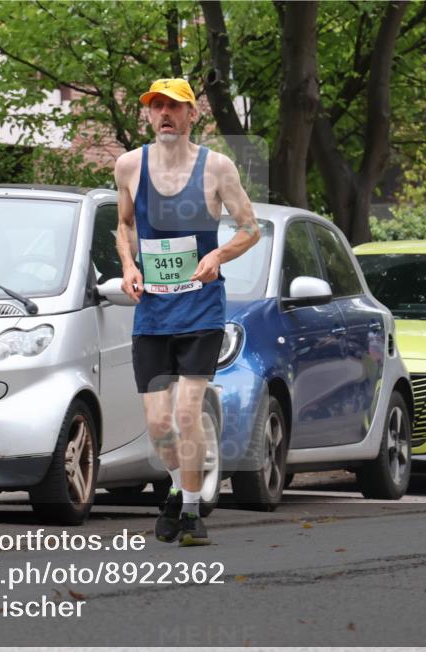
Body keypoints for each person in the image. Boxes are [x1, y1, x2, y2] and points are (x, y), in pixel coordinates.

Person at [113, 78, 259, 546]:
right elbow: (123, 225)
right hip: (153, 312)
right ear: (149, 115)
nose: (165, 115)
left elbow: (250, 228)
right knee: (158, 425)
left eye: (174, 107)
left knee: (187, 410)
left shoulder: (217, 168)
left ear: (192, 114)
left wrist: (217, 257)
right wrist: (129, 265)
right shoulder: (128, 166)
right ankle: (179, 489)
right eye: (157, 107)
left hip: (200, 310)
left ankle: (193, 515)